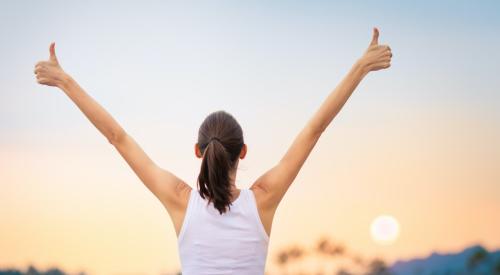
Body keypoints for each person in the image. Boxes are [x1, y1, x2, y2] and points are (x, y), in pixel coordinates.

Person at [34, 27, 392, 275]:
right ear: (244, 152)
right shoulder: (263, 199)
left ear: (197, 151)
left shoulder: (179, 200)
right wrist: (360, 68)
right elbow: (314, 131)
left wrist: (65, 81)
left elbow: (117, 137)